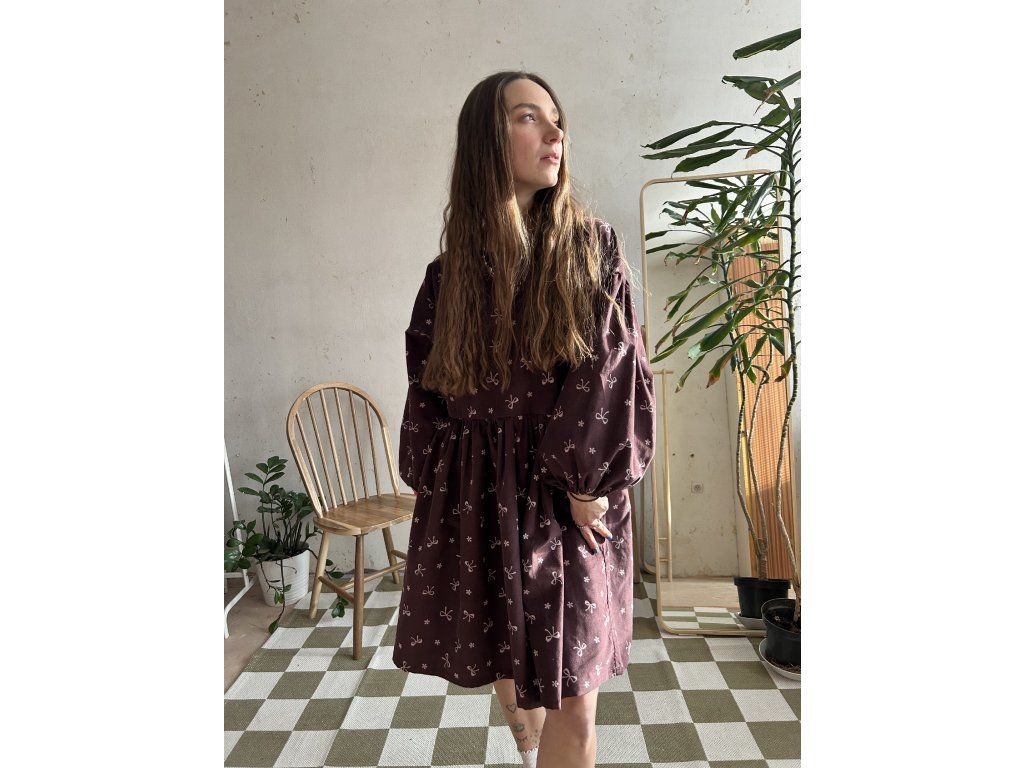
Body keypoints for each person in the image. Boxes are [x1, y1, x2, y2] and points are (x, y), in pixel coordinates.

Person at [392, 70, 656, 768]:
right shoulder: (446, 276)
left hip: (566, 499)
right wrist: (439, 491)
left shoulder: (589, 247)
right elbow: (426, 391)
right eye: (528, 117)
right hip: (478, 498)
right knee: (512, 669)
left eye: (556, 117)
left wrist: (587, 481)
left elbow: (612, 366)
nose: (555, 132)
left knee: (576, 703)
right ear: (487, 138)